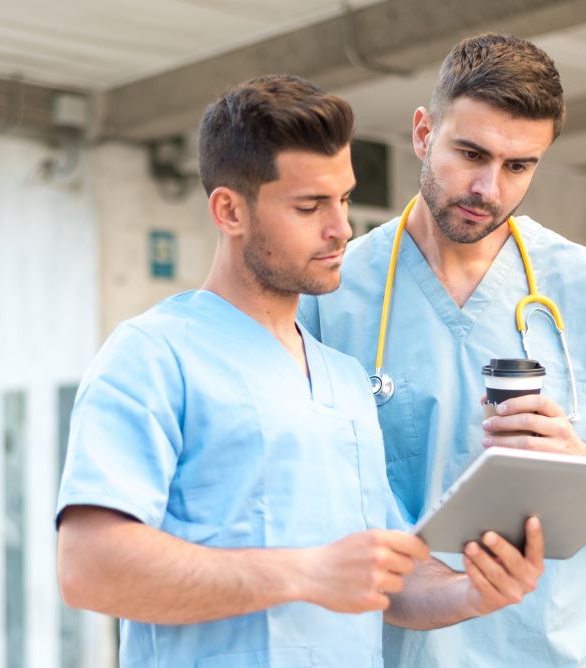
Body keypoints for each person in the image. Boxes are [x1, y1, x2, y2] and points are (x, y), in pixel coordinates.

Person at [56, 74, 545, 667]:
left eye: (343, 199)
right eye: (309, 206)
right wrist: (305, 572)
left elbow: (390, 580)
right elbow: (89, 568)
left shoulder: (344, 380)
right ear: (229, 210)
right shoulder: (152, 356)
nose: (341, 228)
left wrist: (475, 590)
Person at [299, 34, 586, 667]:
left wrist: (581, 465)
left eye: (518, 166)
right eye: (469, 152)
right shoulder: (331, 292)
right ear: (423, 133)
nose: (487, 188)